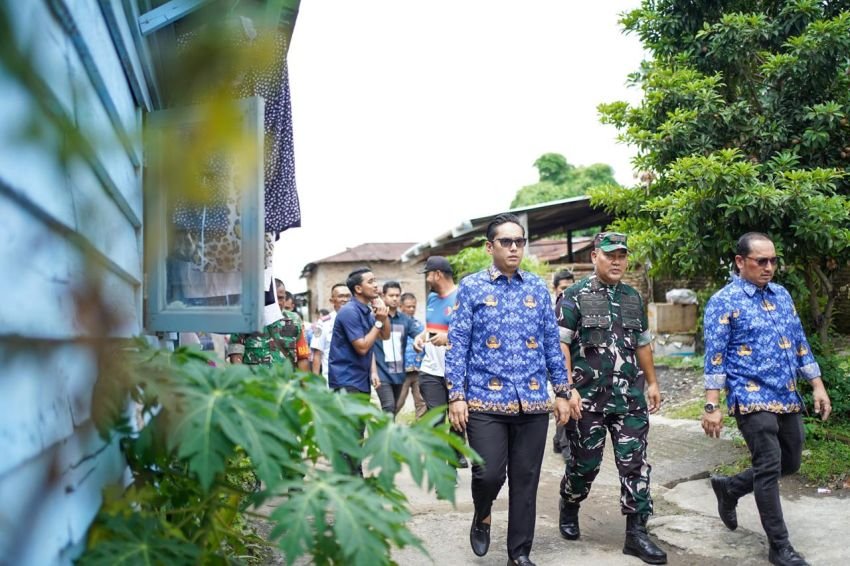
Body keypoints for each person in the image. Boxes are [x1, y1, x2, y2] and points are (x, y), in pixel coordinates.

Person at [445, 214, 574, 566]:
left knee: (526, 480)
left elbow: (551, 343)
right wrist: (456, 396)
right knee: (488, 474)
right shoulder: (472, 288)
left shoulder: (536, 287)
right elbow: (457, 345)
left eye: (519, 241)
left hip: (532, 402)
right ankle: (483, 512)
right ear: (490, 247)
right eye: (506, 242)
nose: (514, 247)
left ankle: (519, 553)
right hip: (484, 400)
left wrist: (562, 391)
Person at [702, 232, 831, 566]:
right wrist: (712, 405)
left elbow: (800, 341)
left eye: (773, 260)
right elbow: (714, 357)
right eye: (762, 261)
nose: (769, 267)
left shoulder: (782, 295)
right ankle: (779, 546)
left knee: (791, 461)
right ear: (740, 262)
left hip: (786, 394)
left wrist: (817, 385)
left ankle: (729, 489)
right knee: (769, 465)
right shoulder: (724, 301)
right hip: (749, 395)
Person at [556, 232, 667, 565]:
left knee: (635, 465)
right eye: (610, 255)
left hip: (629, 399)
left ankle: (636, 534)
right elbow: (560, 345)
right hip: (586, 400)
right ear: (594, 257)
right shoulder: (573, 296)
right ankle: (570, 501)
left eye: (622, 255)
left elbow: (643, 344)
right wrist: (566, 389)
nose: (617, 261)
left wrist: (652, 382)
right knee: (583, 466)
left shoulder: (633, 297)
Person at [413, 256, 467, 466]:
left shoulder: (462, 297)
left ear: (437, 274)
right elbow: (431, 328)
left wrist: (449, 338)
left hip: (456, 371)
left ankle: (456, 453)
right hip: (430, 369)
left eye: (427, 274)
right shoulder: (433, 299)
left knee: (457, 417)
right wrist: (421, 336)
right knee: (435, 418)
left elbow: (474, 332)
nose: (426, 279)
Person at [228, 279, 310, 371]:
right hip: (256, 383)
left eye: (281, 298)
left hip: (286, 383)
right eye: (274, 298)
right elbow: (235, 355)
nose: (277, 302)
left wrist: (304, 384)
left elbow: (302, 358)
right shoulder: (244, 319)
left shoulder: (295, 320)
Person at [373, 281, 421, 416]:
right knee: (388, 406)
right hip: (382, 371)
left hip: (399, 373)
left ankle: (384, 435)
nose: (394, 298)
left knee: (393, 410)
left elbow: (418, 334)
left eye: (397, 295)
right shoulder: (375, 318)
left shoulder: (406, 320)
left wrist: (419, 339)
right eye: (391, 295)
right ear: (383, 296)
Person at [551, 269, 575, 456]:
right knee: (562, 398)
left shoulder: (574, 307)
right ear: (555, 289)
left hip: (569, 361)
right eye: (563, 288)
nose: (566, 292)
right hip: (550, 362)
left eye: (570, 288)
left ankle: (559, 440)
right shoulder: (548, 308)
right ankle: (564, 445)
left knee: (566, 398)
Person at [395, 292, 427, 418]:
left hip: (418, 369)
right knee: (398, 402)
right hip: (402, 371)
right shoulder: (395, 323)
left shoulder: (419, 325)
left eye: (414, 306)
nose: (412, 309)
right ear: (401, 306)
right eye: (408, 307)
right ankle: (385, 430)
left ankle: (421, 433)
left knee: (422, 403)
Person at [310, 283, 351, 378]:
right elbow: (317, 353)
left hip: (355, 379)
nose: (345, 300)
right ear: (332, 300)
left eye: (348, 296)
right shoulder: (322, 323)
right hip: (332, 379)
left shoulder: (358, 320)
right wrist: (315, 382)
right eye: (341, 296)